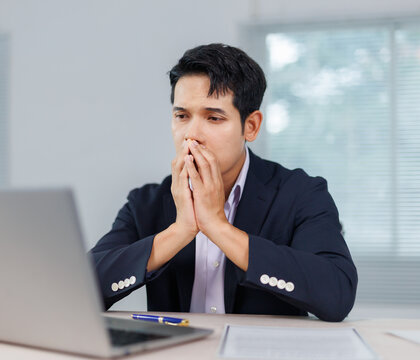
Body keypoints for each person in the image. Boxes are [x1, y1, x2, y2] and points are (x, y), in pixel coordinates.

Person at [90, 43, 357, 322]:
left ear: (250, 126)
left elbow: (337, 294)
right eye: (182, 116)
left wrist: (218, 227)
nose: (191, 135)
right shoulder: (146, 203)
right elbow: (80, 287)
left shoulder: (301, 194)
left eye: (213, 118)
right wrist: (180, 231)